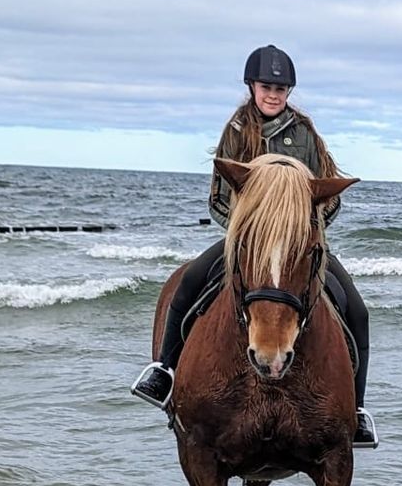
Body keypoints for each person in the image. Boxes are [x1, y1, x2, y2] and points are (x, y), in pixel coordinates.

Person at [131, 45, 378, 447]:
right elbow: (217, 197)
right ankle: (164, 371)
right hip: (247, 243)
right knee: (190, 282)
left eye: (281, 88)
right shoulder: (235, 132)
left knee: (358, 310)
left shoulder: (306, 135)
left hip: (297, 244)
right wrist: (250, 232)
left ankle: (358, 411)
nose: (273, 94)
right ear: (252, 86)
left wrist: (302, 229)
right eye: (267, 86)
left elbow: (327, 195)